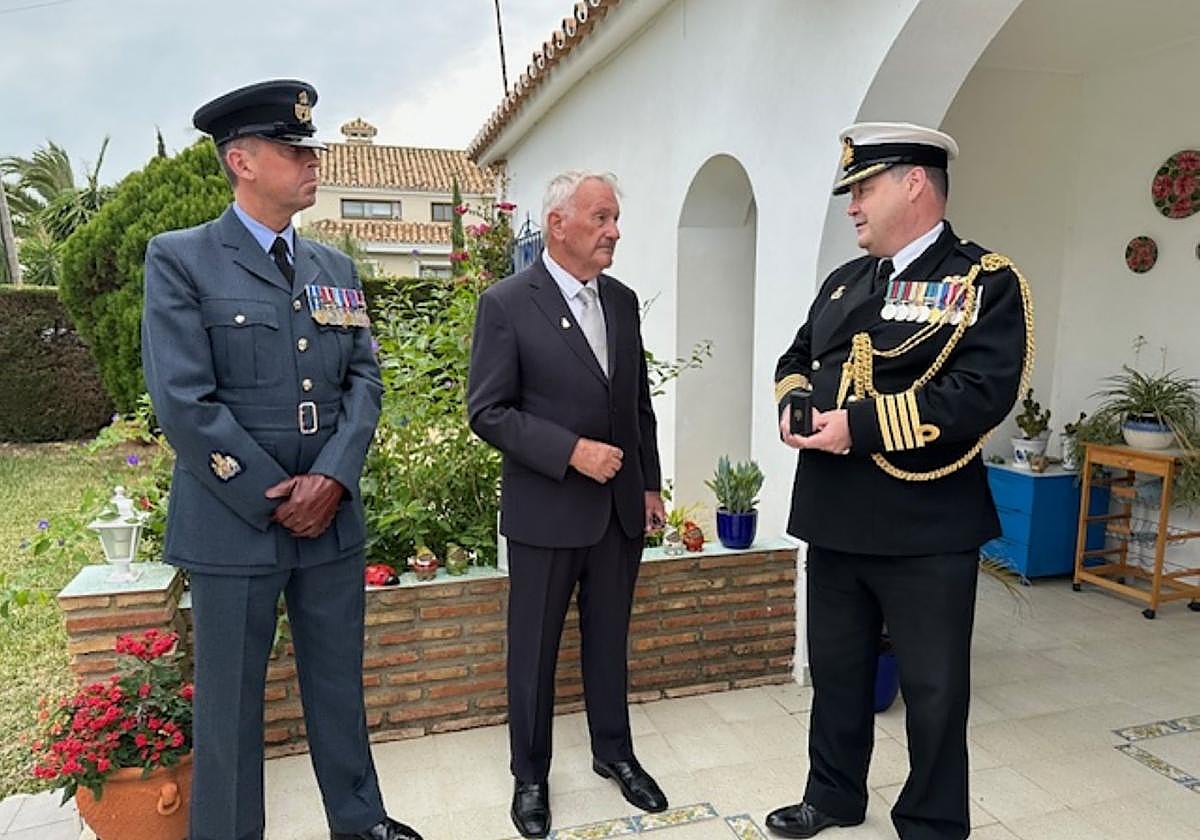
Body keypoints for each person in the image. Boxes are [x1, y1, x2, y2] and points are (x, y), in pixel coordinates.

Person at [141, 79, 422, 840]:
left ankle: (359, 823)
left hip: (329, 519)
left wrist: (332, 478)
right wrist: (275, 493)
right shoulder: (183, 259)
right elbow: (184, 401)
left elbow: (364, 380)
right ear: (242, 161)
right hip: (234, 523)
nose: (312, 160)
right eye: (293, 149)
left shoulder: (334, 268)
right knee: (230, 703)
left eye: (311, 148)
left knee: (338, 683)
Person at [765, 123, 1033, 840]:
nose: (852, 205)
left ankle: (933, 823)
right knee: (837, 673)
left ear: (915, 183)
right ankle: (832, 796)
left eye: (864, 188)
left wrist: (859, 425)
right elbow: (796, 358)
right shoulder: (844, 281)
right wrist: (795, 403)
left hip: (926, 524)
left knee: (934, 689)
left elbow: (981, 392)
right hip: (834, 515)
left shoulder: (982, 280)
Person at [467, 170, 669, 839]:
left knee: (609, 642)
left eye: (614, 218)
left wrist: (649, 484)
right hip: (546, 512)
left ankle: (615, 753)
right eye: (601, 218)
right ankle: (530, 776)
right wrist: (571, 451)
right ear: (558, 224)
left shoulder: (623, 301)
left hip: (617, 512)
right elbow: (487, 411)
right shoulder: (506, 303)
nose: (614, 231)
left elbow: (636, 403)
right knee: (534, 651)